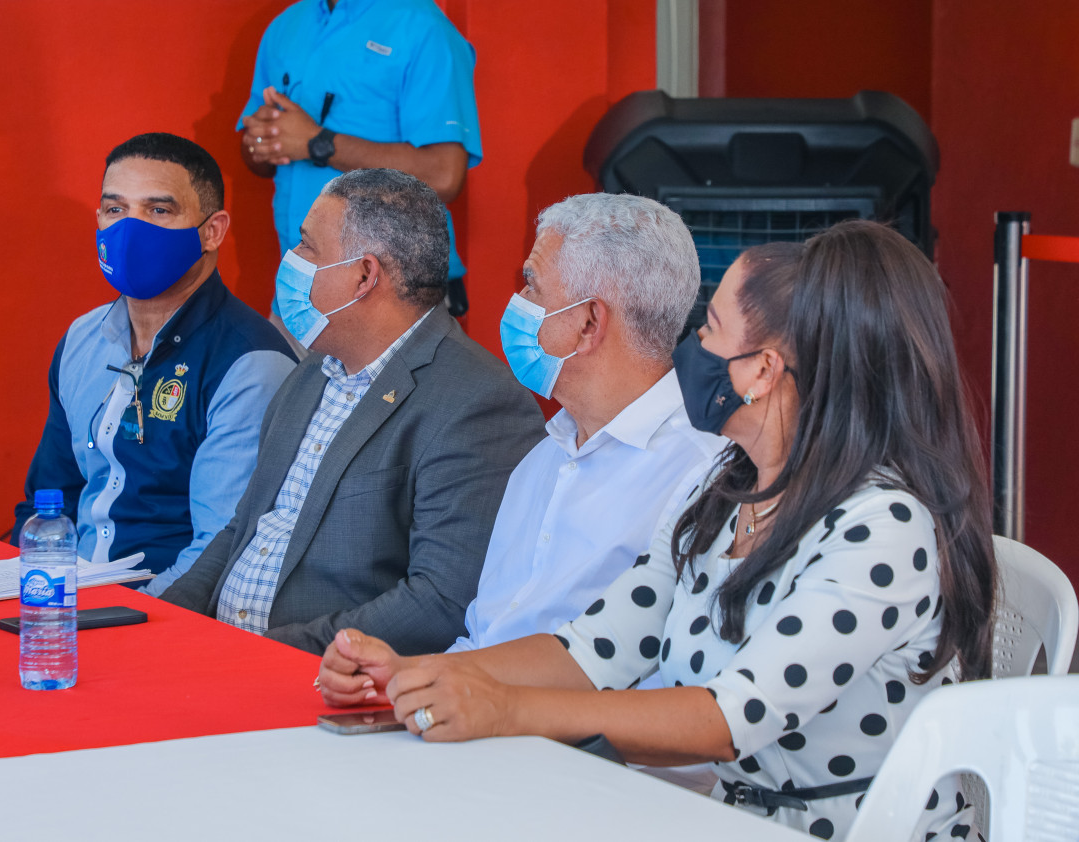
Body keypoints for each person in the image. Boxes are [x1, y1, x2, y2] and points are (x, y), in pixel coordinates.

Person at [320, 220, 997, 841]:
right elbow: (594, 648)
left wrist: (504, 710)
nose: (690, 346)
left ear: (762, 371)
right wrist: (420, 676)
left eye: (711, 329)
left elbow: (729, 719)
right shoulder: (725, 487)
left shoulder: (881, 527)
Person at [162, 168, 544, 655]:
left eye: (307, 246)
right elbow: (243, 529)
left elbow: (441, 602)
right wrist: (168, 626)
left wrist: (265, 655)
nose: (291, 260)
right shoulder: (311, 371)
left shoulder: (477, 402)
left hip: (320, 676)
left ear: (364, 275)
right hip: (227, 658)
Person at [14, 133, 297, 596]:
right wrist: (33, 595)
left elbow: (220, 550)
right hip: (68, 603)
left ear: (212, 231)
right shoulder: (82, 339)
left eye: (159, 210)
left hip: (167, 611)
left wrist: (125, 618)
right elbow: (48, 504)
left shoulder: (250, 363)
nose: (130, 229)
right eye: (115, 209)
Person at [449, 193, 724, 655]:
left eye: (532, 286)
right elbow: (482, 635)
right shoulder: (544, 457)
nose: (518, 302)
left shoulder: (702, 476)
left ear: (589, 322)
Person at [240, 0, 480, 326]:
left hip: (391, 301)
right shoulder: (286, 25)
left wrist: (318, 143)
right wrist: (262, 141)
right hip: (295, 296)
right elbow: (255, 153)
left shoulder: (425, 28)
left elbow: (444, 175)